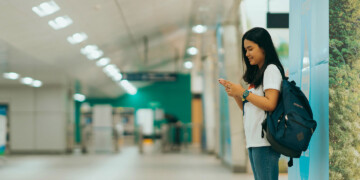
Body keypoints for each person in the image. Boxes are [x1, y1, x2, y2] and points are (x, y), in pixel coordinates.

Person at [218, 27, 286, 180]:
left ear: (263, 47)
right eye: (245, 50)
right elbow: (248, 108)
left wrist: (242, 92)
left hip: (265, 142)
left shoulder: (271, 70)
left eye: (250, 49)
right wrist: (236, 94)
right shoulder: (257, 74)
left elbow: (270, 104)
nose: (247, 54)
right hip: (254, 141)